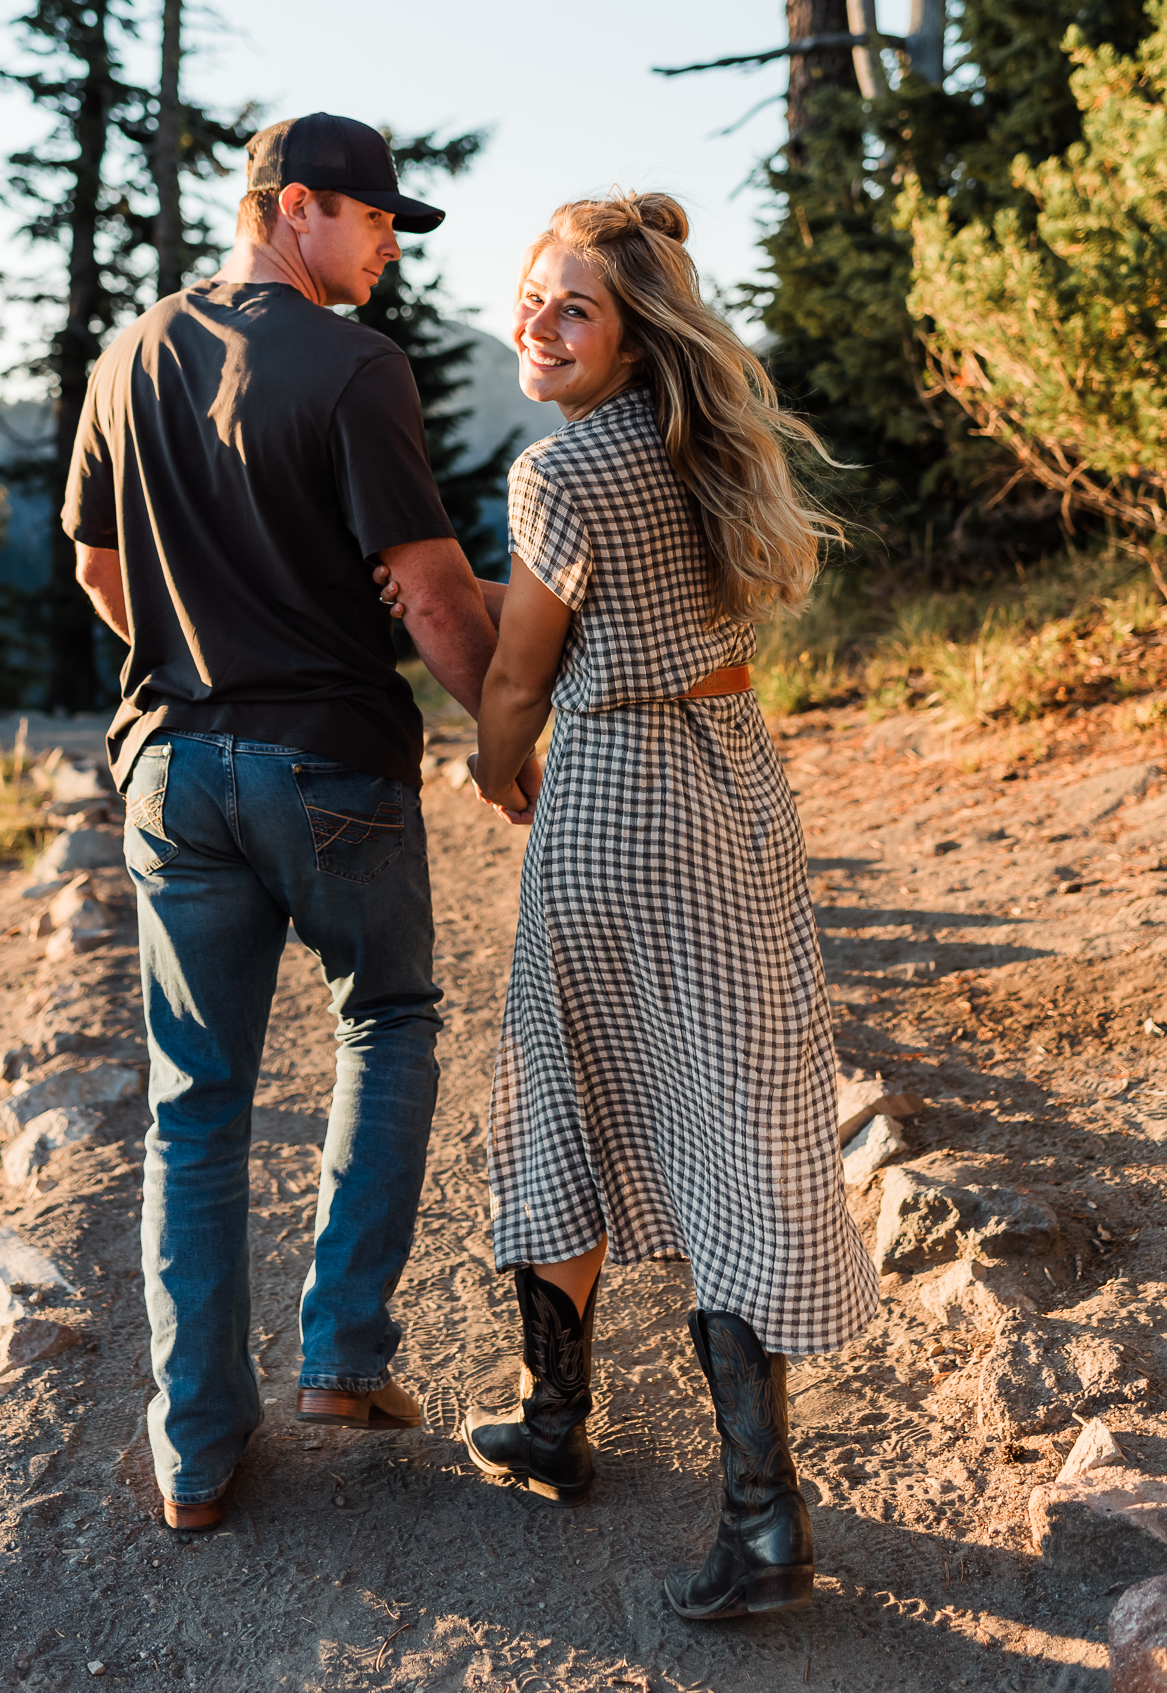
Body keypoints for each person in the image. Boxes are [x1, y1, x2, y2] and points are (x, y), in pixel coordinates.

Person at [380, 190, 877, 1620]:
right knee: (730, 1117)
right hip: (731, 782)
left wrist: (487, 762)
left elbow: (524, 676)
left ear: (632, 334)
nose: (536, 319)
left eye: (572, 305)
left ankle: (575, 1431)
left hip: (613, 798)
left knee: (562, 1099)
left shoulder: (562, 470)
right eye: (530, 292)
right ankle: (747, 1509)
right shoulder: (696, 449)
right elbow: (612, 603)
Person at [64, 112, 538, 1534]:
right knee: (386, 1020)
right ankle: (341, 1354)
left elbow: (97, 568)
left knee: (193, 1104)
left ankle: (196, 1454)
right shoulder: (352, 365)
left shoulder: (130, 350)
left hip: (170, 768)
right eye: (379, 220)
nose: (390, 247)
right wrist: (503, 745)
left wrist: (201, 650)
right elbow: (436, 594)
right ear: (297, 208)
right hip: (328, 762)